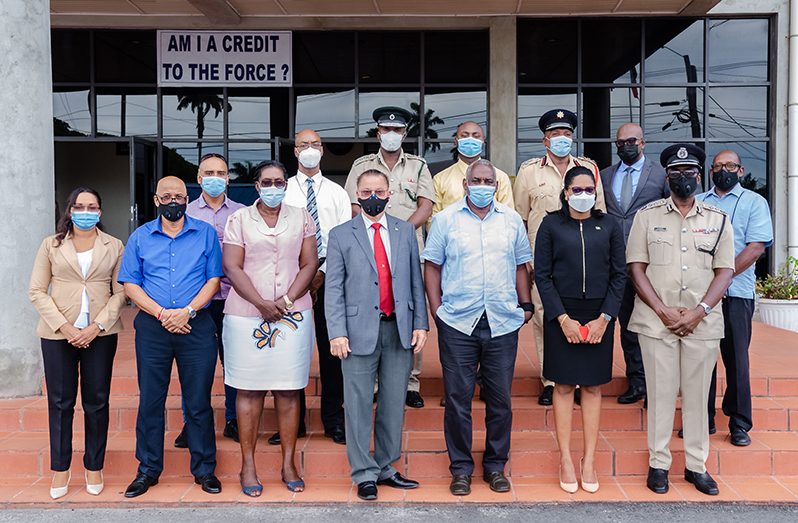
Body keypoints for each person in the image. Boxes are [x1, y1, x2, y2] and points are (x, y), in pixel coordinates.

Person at [626, 144, 734, 496]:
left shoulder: (718, 220)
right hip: (656, 322)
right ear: (667, 176)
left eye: (689, 171)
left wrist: (700, 310)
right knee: (659, 394)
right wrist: (661, 309)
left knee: (698, 396)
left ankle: (695, 466)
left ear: (699, 175)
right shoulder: (647, 216)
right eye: (676, 172)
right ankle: (658, 464)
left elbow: (725, 271)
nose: (683, 177)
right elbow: (636, 268)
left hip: (702, 323)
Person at [423, 160, 533, 496]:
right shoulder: (444, 220)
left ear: (497, 185)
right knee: (458, 399)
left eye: (489, 180)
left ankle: (496, 466)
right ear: (466, 183)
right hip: (458, 321)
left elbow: (520, 265)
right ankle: (460, 469)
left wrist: (525, 305)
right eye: (476, 180)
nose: (482, 185)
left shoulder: (512, 221)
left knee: (500, 400)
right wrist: (437, 310)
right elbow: (432, 266)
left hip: (501, 321)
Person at [326, 169, 428, 501]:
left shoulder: (404, 231)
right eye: (367, 190)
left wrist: (421, 324)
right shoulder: (341, 234)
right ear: (357, 193)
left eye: (380, 191)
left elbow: (416, 280)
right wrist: (337, 332)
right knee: (356, 403)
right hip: (356, 333)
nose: (374, 196)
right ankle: (363, 473)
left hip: (398, 328)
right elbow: (333, 289)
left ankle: (386, 466)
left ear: (389, 194)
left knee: (393, 402)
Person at [118, 176, 224, 498]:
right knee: (151, 399)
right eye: (167, 196)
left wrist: (187, 311)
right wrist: (163, 314)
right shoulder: (140, 237)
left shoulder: (205, 234)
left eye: (179, 196)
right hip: (153, 327)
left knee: (198, 402)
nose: (173, 201)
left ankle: (205, 470)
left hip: (196, 325)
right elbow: (130, 284)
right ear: (156, 200)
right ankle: (147, 470)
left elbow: (214, 280)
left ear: (187, 199)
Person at [221, 160, 318, 496]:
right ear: (256, 185)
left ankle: (288, 462)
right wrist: (263, 303)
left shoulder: (302, 217)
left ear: (286, 186)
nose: (274, 187)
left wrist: (286, 301)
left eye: (279, 182)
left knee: (289, 389)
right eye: (267, 182)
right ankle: (248, 465)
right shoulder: (239, 219)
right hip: (247, 314)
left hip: (293, 315)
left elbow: (309, 263)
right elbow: (232, 267)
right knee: (248, 389)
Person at [28, 187, 126, 499]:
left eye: (92, 206)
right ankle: (61, 468)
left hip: (100, 332)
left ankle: (93, 465)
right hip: (58, 333)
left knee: (97, 401)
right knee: (60, 402)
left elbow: (122, 291)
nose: (86, 211)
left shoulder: (114, 245)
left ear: (100, 210)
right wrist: (66, 327)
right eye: (79, 206)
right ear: (70, 210)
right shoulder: (51, 245)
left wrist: (97, 326)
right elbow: (37, 290)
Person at [534, 166, 626, 494]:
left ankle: (588, 459)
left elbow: (619, 275)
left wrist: (605, 318)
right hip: (563, 314)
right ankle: (566, 459)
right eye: (577, 190)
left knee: (591, 387)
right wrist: (562, 319)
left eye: (589, 189)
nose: (583, 195)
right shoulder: (551, 225)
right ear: (566, 191)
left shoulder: (609, 225)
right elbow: (542, 276)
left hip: (599, 314)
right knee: (561, 386)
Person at [344, 106, 436, 409]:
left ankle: (410, 382)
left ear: (404, 134)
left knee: (410, 307)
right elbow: (355, 205)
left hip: (408, 247)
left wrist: (400, 233)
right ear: (378, 133)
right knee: (372, 305)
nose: (391, 135)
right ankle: (371, 382)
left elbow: (425, 205)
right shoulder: (361, 165)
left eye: (397, 130)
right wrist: (375, 231)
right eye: (386, 130)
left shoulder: (419, 166)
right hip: (369, 249)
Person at [513, 108, 606, 406]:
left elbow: (600, 214)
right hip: (543, 259)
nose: (561, 139)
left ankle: (579, 378)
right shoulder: (529, 171)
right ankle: (551, 379)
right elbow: (520, 219)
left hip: (584, 256)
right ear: (545, 140)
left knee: (582, 315)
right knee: (546, 317)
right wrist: (525, 261)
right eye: (555, 135)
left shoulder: (588, 168)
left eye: (566, 134)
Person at [268, 129, 350, 447]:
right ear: (295, 152)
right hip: (291, 284)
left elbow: (345, 240)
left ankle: (333, 419)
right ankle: (294, 422)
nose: (310, 149)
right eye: (304, 144)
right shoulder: (282, 190)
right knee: (292, 352)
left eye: (315, 144)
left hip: (331, 280)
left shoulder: (337, 193)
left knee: (333, 355)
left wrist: (321, 274)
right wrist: (301, 279)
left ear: (323, 150)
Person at [697, 150, 773, 447]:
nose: (724, 170)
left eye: (730, 165)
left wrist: (722, 278)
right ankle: (702, 418)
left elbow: (756, 248)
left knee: (736, 360)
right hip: (701, 296)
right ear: (711, 171)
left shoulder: (755, 202)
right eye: (718, 166)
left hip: (736, 294)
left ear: (741, 170)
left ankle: (739, 422)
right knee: (701, 360)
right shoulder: (700, 202)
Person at [173, 153, 245, 449]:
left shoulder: (243, 213)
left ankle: (234, 419)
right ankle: (193, 423)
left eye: (222, 172)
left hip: (234, 299)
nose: (216, 178)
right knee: (196, 365)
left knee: (235, 362)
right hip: (197, 301)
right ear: (199, 179)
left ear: (228, 178)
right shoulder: (185, 214)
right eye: (209, 173)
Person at [599, 123, 669, 405]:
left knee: (650, 326)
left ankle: (656, 386)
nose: (625, 146)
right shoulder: (604, 176)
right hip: (611, 263)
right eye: (619, 142)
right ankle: (636, 381)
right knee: (624, 325)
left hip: (648, 264)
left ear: (643, 142)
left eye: (631, 141)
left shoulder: (661, 175)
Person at [429, 121, 514, 222]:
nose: (470, 139)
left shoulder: (500, 177)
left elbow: (508, 217)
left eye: (476, 136)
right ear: (456, 141)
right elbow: (433, 220)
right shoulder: (440, 179)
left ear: (483, 141)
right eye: (464, 136)